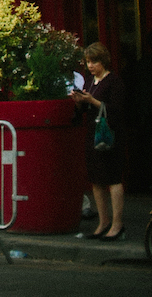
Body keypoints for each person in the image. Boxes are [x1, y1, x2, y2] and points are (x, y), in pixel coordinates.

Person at [71, 41, 126, 240]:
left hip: (110, 134)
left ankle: (117, 225)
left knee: (113, 178)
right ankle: (103, 222)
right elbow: (83, 111)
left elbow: (116, 110)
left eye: (94, 62)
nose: (90, 66)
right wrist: (79, 102)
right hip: (92, 134)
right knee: (96, 179)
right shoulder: (89, 82)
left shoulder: (114, 82)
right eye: (88, 62)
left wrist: (91, 100)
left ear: (103, 61)